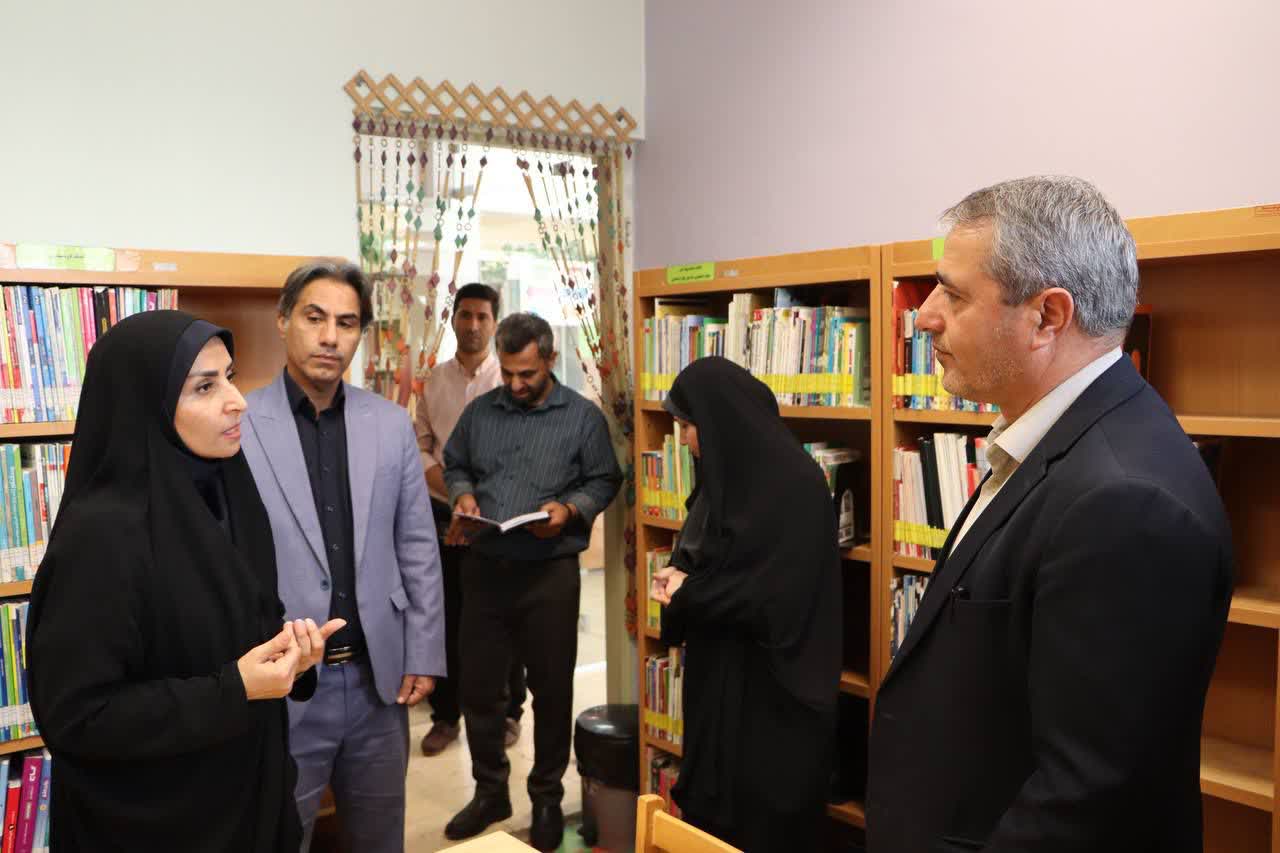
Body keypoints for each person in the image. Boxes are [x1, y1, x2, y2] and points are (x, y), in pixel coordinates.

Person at [867, 176, 1234, 852]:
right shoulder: (1044, 442)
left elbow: (1087, 799)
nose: (924, 317)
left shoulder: (1125, 502)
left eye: (953, 294)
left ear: (1047, 317)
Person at [28, 310, 342, 852]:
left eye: (230, 377)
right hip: (156, 823)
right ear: (145, 404)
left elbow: (241, 630)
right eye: (204, 387)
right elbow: (78, 717)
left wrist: (290, 657)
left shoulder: (231, 492)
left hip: (250, 798)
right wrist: (234, 689)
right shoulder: (101, 536)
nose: (237, 401)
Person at [239, 261, 446, 853]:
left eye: (347, 323)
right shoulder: (241, 424)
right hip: (283, 684)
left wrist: (423, 650)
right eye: (315, 317)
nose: (330, 336)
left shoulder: (390, 425)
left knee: (379, 837)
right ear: (283, 321)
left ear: (361, 334)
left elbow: (417, 546)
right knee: (280, 835)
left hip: (378, 680)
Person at [442, 312, 623, 850]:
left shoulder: (582, 417)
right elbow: (455, 463)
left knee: (551, 690)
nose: (516, 384)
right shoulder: (480, 412)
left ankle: (547, 798)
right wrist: (462, 494)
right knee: (479, 689)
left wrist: (571, 509)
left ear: (549, 359)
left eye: (527, 374)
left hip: (550, 574)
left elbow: (605, 478)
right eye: (508, 373)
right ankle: (489, 792)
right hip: (485, 570)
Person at [649, 356, 842, 853]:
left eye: (688, 426)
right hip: (720, 682)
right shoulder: (722, 480)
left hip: (774, 699)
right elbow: (708, 561)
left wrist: (689, 592)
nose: (684, 441)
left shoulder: (797, 486)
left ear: (719, 420)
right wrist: (679, 575)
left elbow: (767, 592)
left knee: (763, 828)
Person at [415, 282, 528, 757]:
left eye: (483, 316)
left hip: (498, 516)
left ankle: (508, 711)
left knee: (503, 616)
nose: (473, 325)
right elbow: (421, 446)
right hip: (442, 514)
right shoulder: (433, 380)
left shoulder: (510, 380)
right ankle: (445, 716)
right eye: (465, 315)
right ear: (454, 318)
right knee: (446, 615)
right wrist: (454, 493)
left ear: (495, 322)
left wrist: (479, 500)